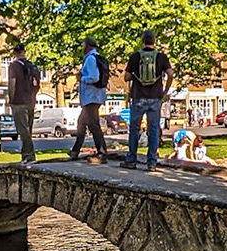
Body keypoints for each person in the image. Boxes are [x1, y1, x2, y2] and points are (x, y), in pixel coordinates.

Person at [122, 29, 173, 172]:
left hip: (138, 96)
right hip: (155, 97)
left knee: (134, 128)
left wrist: (135, 76)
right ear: (154, 41)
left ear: (142, 40)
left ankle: (131, 159)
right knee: (154, 129)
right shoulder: (162, 57)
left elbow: (126, 77)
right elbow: (170, 74)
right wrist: (165, 92)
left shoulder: (135, 56)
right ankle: (152, 162)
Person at [68, 38, 111, 161]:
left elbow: (94, 77)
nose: (82, 48)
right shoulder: (95, 58)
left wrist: (81, 78)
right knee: (82, 123)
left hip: (91, 98)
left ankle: (102, 152)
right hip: (94, 97)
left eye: (83, 45)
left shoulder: (91, 59)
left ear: (87, 46)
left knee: (93, 124)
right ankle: (75, 151)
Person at [7, 41, 43, 162]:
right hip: (30, 101)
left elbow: (12, 83)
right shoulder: (32, 66)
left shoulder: (14, 66)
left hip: (19, 102)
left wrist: (11, 99)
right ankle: (26, 155)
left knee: (23, 131)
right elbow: (38, 84)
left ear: (15, 53)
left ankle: (29, 155)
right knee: (29, 129)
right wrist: (32, 94)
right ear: (24, 52)